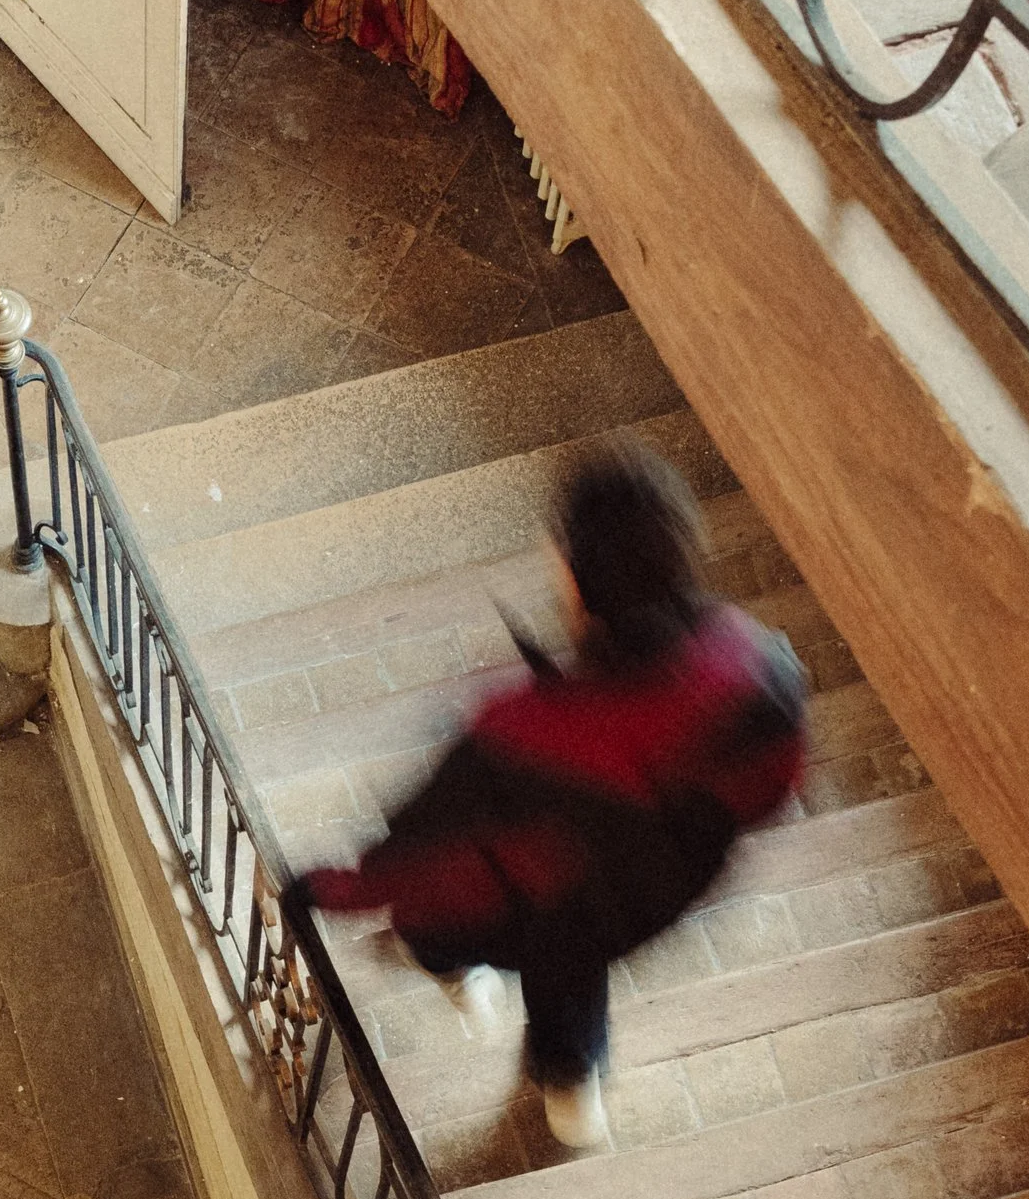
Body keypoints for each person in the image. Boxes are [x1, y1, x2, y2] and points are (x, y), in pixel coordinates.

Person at [289, 442, 809, 1152]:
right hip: (655, 894)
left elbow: (412, 855)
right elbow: (772, 786)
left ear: (579, 579)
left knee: (436, 924)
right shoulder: (757, 667)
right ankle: (570, 1089)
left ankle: (458, 976)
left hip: (540, 897)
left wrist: (321, 890)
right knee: (574, 957)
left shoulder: (524, 735)